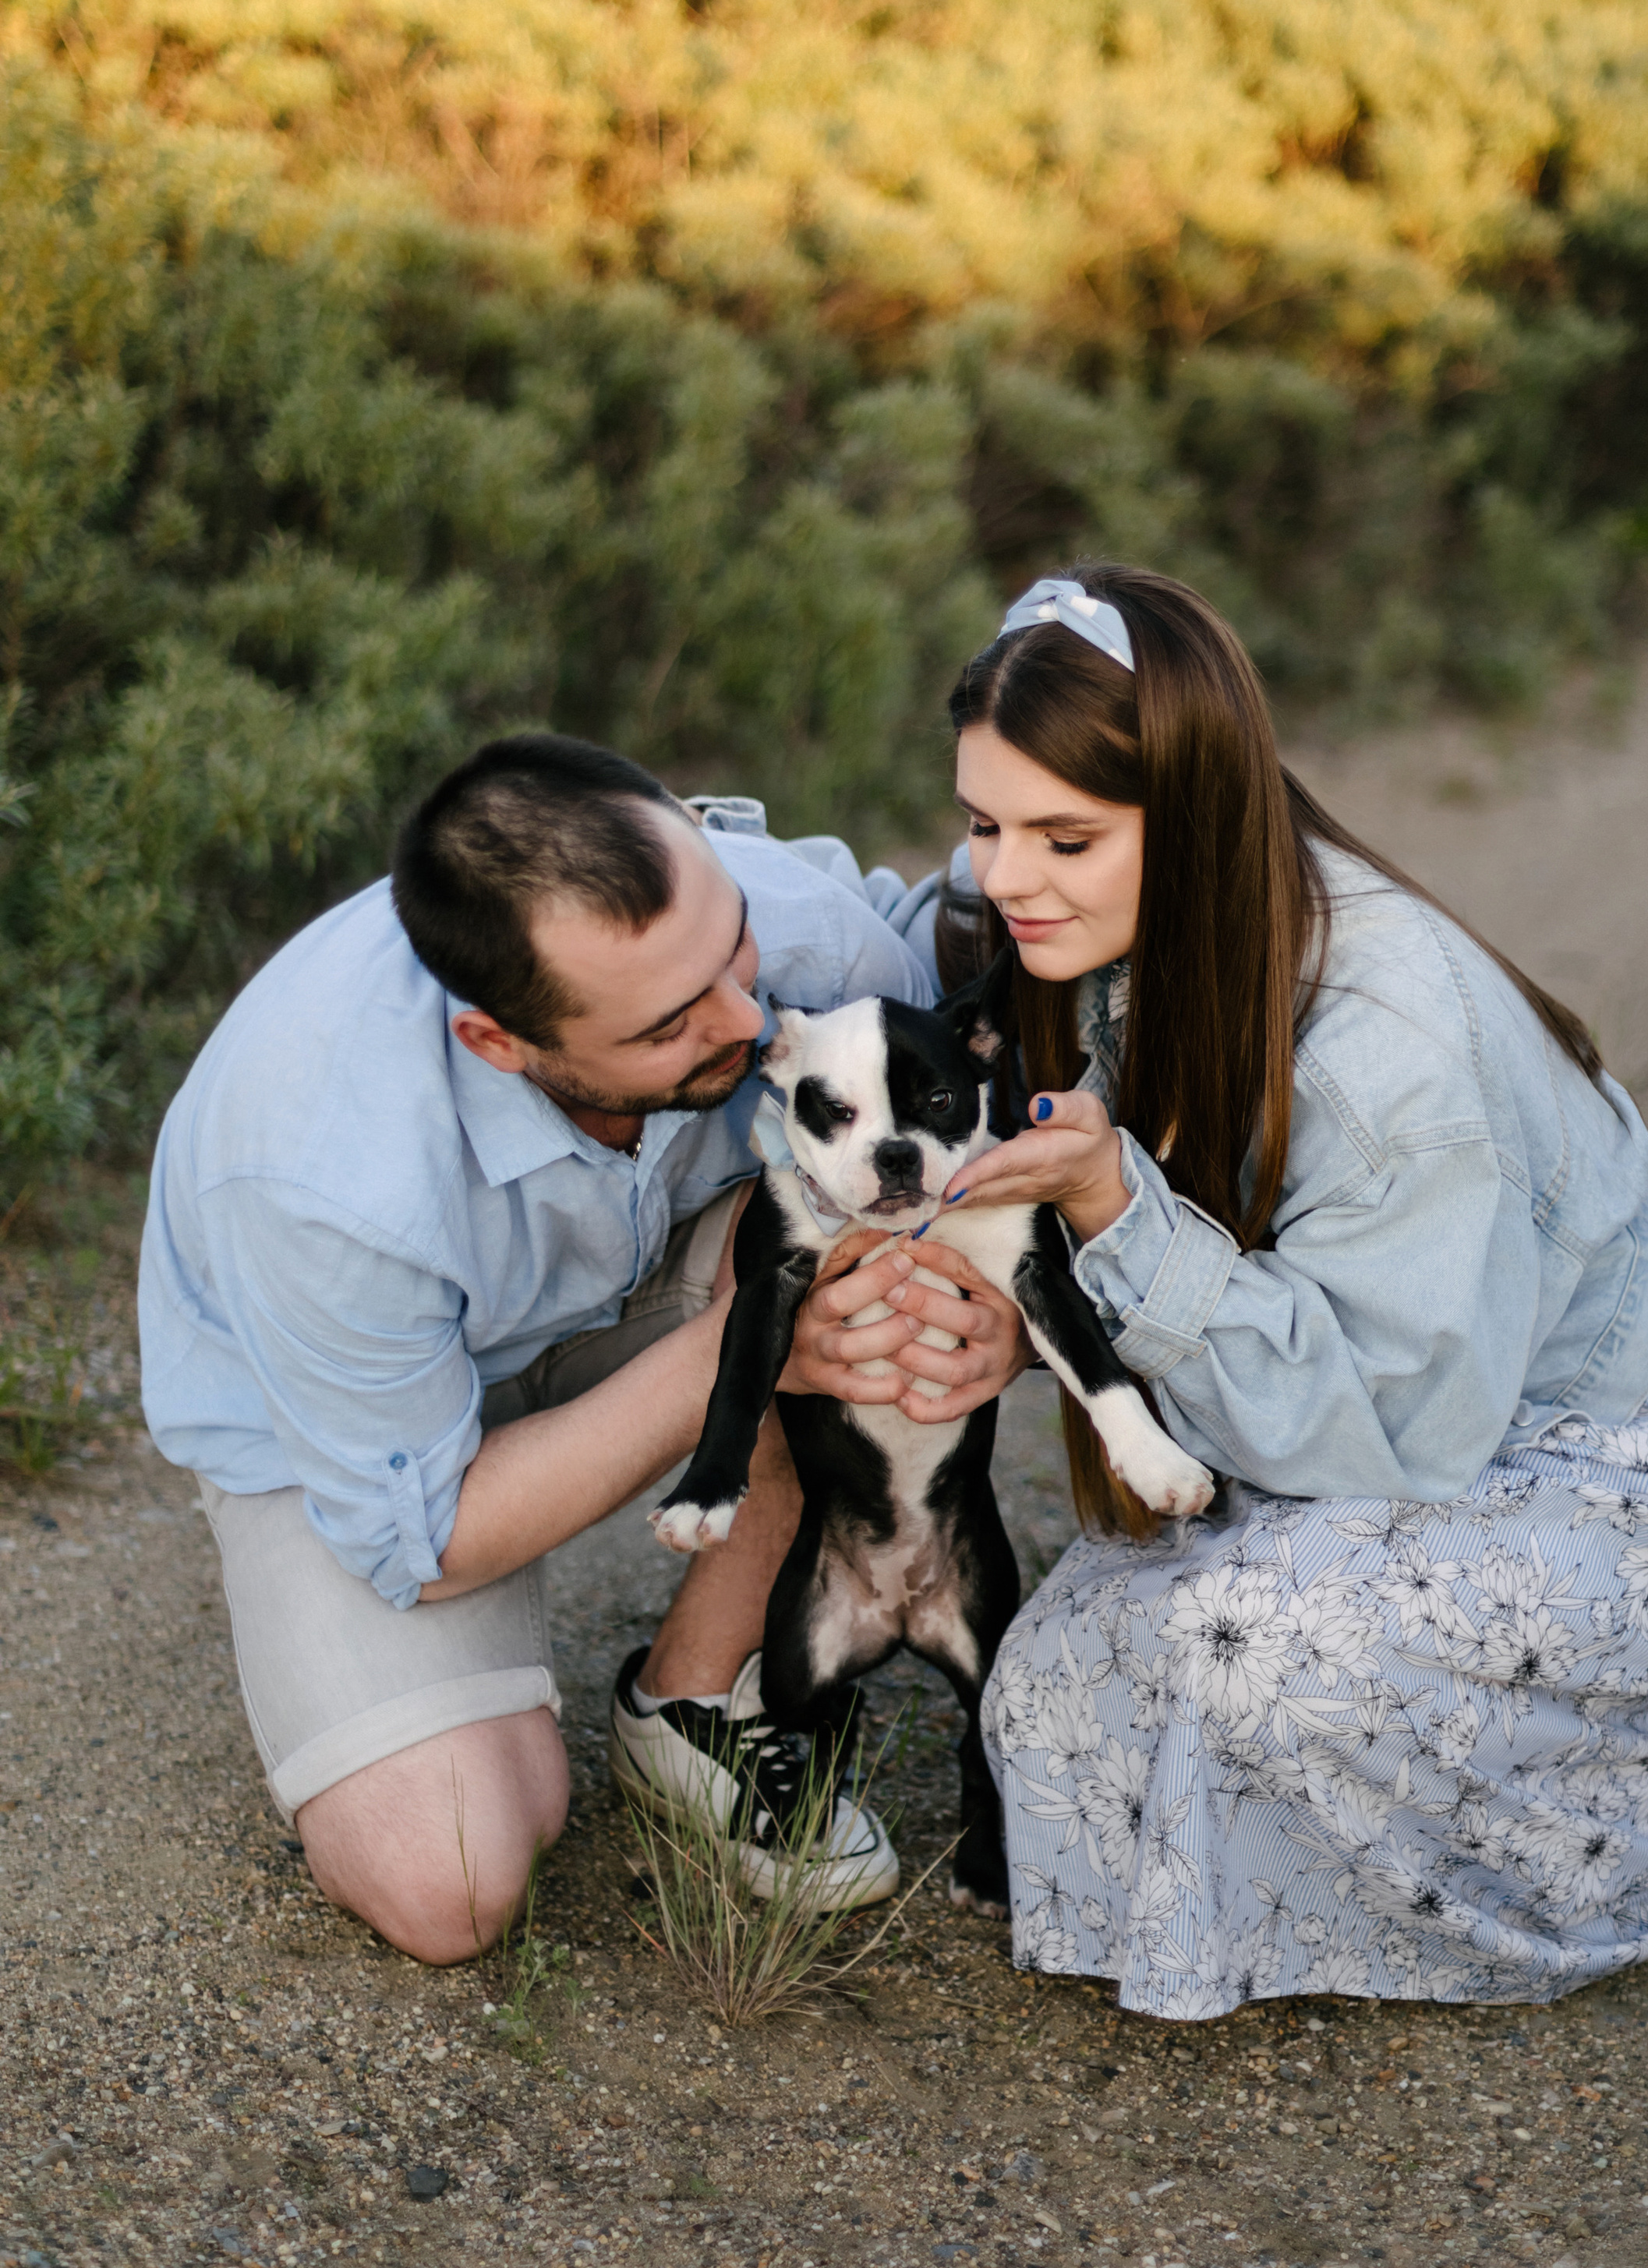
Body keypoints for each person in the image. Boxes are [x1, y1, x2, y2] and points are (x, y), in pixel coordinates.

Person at [934, 567, 1648, 2017]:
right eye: (983, 822)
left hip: (1607, 1453)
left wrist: (1105, 1207)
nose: (1004, 876)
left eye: (1063, 835)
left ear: (1197, 811)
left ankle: (1609, 1860)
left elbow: (1391, 1424)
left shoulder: (1381, 1039)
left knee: (1248, 1661)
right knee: (1051, 1696)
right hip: (1387, 1395)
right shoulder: (1118, 924)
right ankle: (1362, 1837)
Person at [139, 735, 1025, 1962]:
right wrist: (756, 1343)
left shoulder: (797, 948)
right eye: (673, 1024)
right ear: (502, 1044)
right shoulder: (315, 1173)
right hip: (351, 1424)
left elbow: (983, 1088)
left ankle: (696, 1697)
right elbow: (432, 1536)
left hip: (643, 1278)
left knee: (864, 1257)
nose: (747, 1017)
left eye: (731, 952)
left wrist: (1006, 1326)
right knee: (448, 1876)